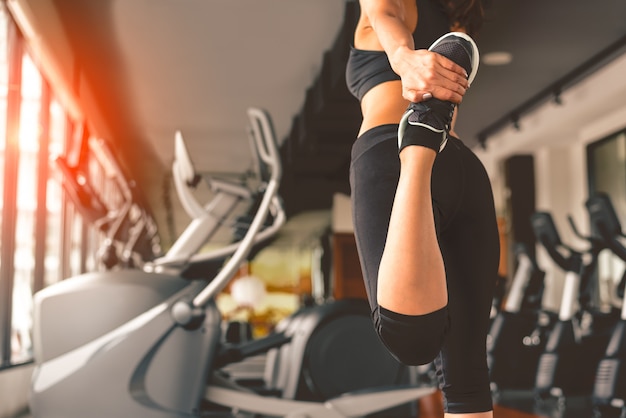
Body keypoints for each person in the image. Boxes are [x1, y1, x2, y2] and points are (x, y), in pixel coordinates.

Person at [346, 0, 499, 417]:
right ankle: (426, 130)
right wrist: (405, 59)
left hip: (396, 158)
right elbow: (387, 17)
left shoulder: (432, 13)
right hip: (459, 168)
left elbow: (386, 16)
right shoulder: (441, 18)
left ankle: (420, 135)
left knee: (414, 342)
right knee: (465, 381)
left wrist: (403, 60)